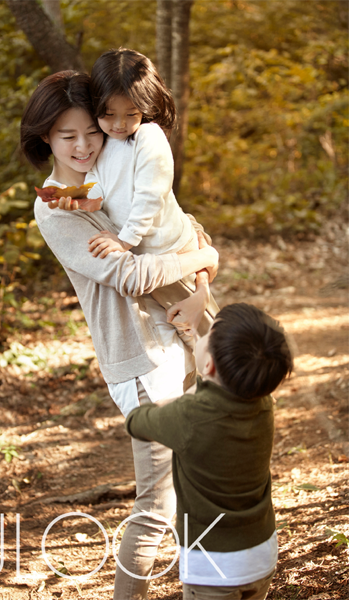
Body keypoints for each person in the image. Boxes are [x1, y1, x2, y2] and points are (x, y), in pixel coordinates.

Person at [20, 70, 220, 600]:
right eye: (68, 136)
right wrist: (207, 257)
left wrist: (201, 281)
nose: (84, 146)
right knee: (156, 504)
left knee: (201, 483)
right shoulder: (56, 205)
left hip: (189, 336)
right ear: (46, 138)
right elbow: (130, 274)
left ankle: (207, 589)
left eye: (92, 131)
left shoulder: (120, 160)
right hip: (140, 360)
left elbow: (183, 221)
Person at [126, 303, 294, 600]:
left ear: (209, 365)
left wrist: (170, 404)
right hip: (261, 552)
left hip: (214, 564)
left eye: (207, 334)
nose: (201, 335)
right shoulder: (263, 404)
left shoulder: (189, 416)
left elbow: (136, 422)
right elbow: (219, 392)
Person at [52, 47, 218, 339]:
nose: (119, 124)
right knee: (187, 338)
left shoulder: (148, 137)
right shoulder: (105, 144)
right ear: (96, 106)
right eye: (108, 114)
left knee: (210, 339)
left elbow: (149, 196)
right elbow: (100, 187)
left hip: (172, 247)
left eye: (131, 113)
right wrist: (80, 200)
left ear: (145, 106)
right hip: (152, 258)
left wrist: (124, 239)